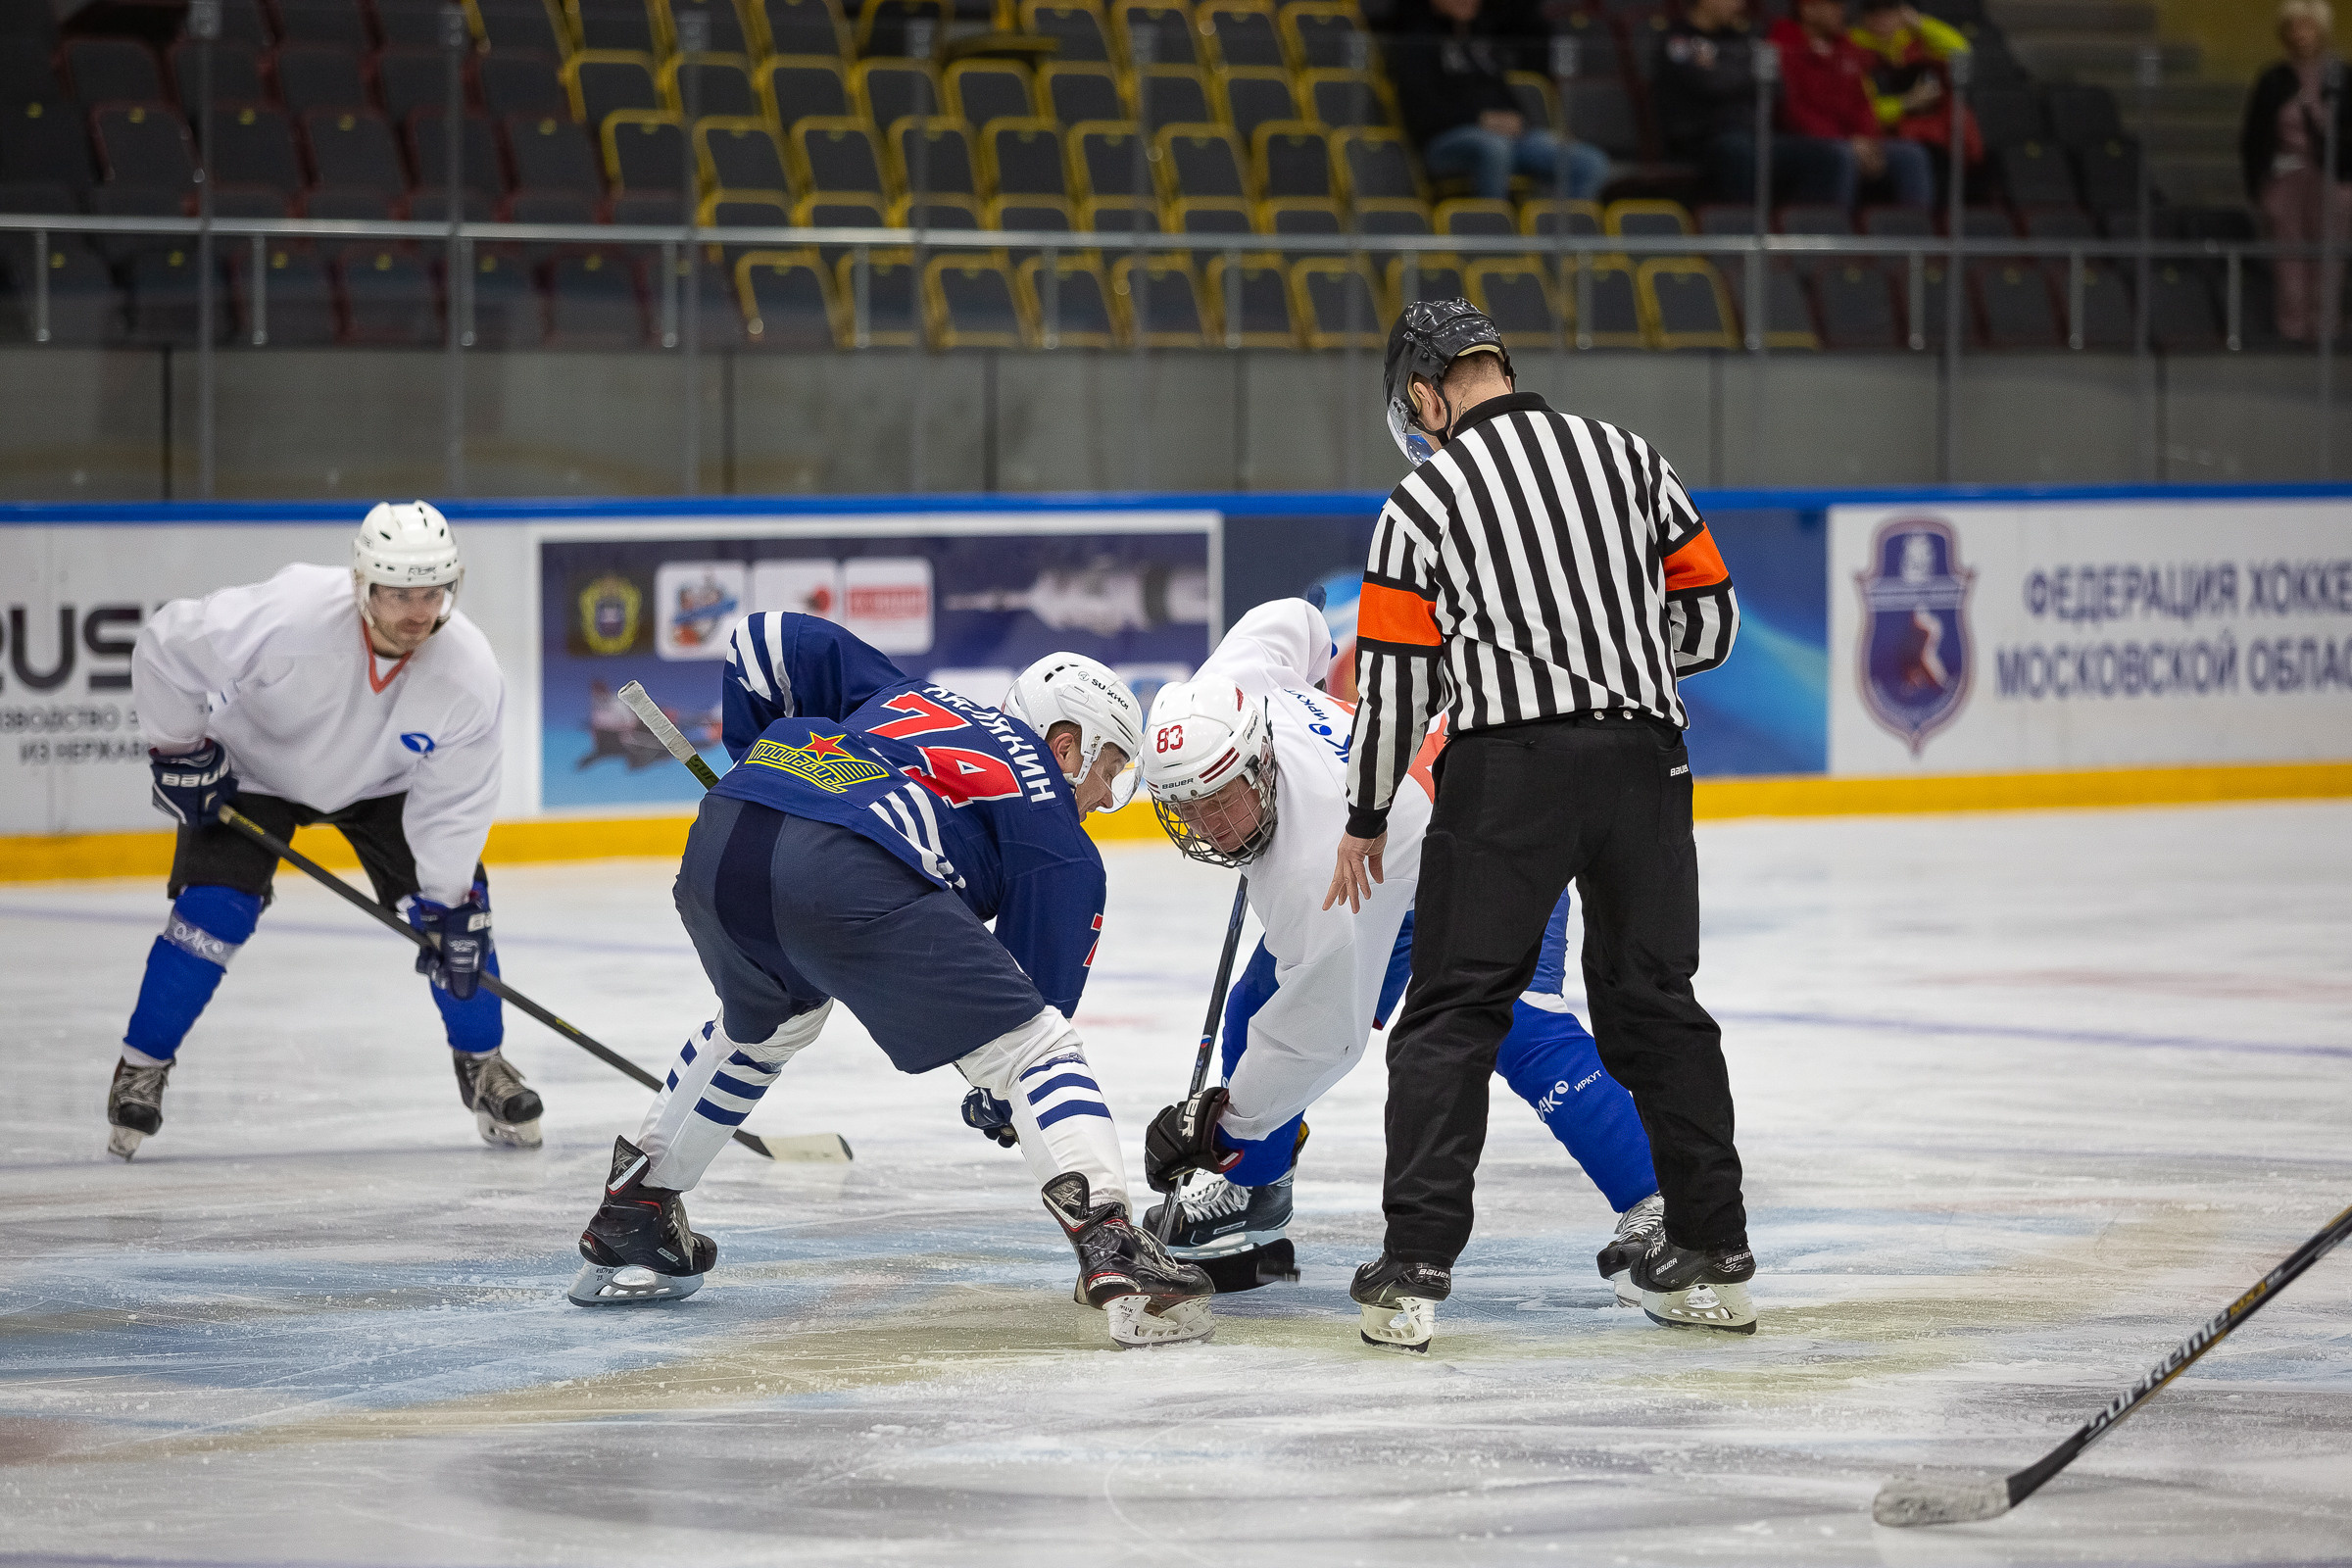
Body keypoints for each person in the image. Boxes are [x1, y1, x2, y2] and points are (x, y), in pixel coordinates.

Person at [566, 611, 1214, 1349]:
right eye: (1108, 770)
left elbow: (765, 637)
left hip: (723, 842)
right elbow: (1028, 1025)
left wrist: (754, 764)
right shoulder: (1059, 835)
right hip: (846, 868)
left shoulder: (910, 693)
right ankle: (1113, 1244)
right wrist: (999, 1102)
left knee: (771, 1025)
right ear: (1066, 744)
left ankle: (637, 1208)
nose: (1104, 796)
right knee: (1036, 1051)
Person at [1326, 300, 1754, 1349]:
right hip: (1648, 760)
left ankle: (1416, 1266)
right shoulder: (1629, 456)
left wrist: (1368, 812)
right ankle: (1716, 1254)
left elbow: (1394, 690)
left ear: (1428, 393)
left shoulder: (1424, 497)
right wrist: (1611, 657)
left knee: (1455, 1011)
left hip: (1507, 770)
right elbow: (1713, 620)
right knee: (1657, 1004)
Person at [1130, 598, 1662, 1323]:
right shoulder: (1235, 680)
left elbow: (1320, 1041)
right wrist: (1316, 682)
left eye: (1224, 800)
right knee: (1259, 1003)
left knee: (1514, 1023)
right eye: (1188, 808)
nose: (1211, 829)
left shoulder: (1313, 870)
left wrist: (1224, 1127)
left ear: (1258, 759)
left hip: (1497, 839)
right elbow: (1295, 618)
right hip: (1396, 856)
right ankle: (1254, 1194)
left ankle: (1661, 1206)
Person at [110, 503, 533, 1159]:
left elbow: (456, 804)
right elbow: (167, 643)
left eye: (433, 591)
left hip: (383, 786)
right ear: (363, 584)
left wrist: (446, 902)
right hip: (253, 771)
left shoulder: (468, 672)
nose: (418, 611)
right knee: (212, 913)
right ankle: (141, 1065)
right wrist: (176, 748)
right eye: (399, 593)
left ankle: (483, 1063)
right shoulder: (291, 614)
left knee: (460, 925)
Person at [1389, 0, 1609, 203]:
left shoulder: (1482, 42)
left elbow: (1506, 98)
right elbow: (1422, 113)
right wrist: (1479, 120)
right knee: (1493, 148)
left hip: (1506, 138)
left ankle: (1554, 235)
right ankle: (1493, 233)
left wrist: (1521, 123)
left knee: (1589, 161)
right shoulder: (1416, 43)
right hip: (1445, 142)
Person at [1654, 0, 1839, 207]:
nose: (1739, 5)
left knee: (1830, 155)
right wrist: (1746, 72)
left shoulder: (1745, 37)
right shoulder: (1679, 39)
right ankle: (1743, 229)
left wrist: (1723, 69)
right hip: (1701, 139)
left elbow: (1776, 84)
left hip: (1753, 134)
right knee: (1739, 151)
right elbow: (1713, 84)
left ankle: (1811, 232)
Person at [2241, 0, 2352, 343]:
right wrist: (2259, 185)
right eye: (2293, 27)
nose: (2300, 34)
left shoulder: (2342, 77)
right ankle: (2293, 332)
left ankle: (2326, 330)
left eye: (2307, 26)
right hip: (2287, 179)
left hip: (2334, 179)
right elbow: (2254, 136)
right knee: (2289, 260)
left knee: (2330, 259)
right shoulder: (2274, 79)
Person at [1770, 0, 1936, 209]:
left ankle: (1914, 234)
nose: (1842, 11)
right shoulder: (1783, 47)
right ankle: (1837, 233)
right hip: (1799, 140)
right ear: (1808, 10)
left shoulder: (1847, 48)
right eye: (1834, 6)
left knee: (1911, 155)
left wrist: (1868, 140)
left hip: (1851, 141)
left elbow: (1862, 103)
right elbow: (1793, 111)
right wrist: (1849, 142)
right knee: (1841, 155)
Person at [1849, 0, 1980, 171]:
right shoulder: (1852, 49)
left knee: (1948, 148)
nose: (1881, 17)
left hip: (1926, 130)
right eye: (1873, 10)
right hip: (1883, 133)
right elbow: (1860, 111)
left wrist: (1920, 23)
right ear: (1862, 17)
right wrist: (1906, 103)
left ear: (1902, 13)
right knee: (1916, 154)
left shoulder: (1915, 41)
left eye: (1889, 9)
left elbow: (1961, 52)